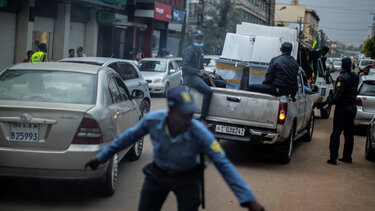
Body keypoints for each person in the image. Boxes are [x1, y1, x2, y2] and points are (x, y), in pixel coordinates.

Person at [85, 87, 264, 211]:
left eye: (190, 114)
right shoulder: (152, 121)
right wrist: (102, 157)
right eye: (183, 114)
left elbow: (223, 164)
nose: (188, 119)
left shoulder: (201, 133)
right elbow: (127, 138)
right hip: (158, 175)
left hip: (188, 179)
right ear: (170, 111)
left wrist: (248, 199)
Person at [323, 57, 359, 165]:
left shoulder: (341, 78)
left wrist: (329, 103)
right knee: (349, 134)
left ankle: (333, 158)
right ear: (351, 65)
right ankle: (347, 157)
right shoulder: (355, 77)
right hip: (352, 107)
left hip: (342, 108)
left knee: (336, 133)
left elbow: (338, 94)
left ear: (342, 66)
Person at [182, 30, 213, 121]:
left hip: (198, 76)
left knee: (220, 82)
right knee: (209, 91)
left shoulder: (199, 51)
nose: (199, 40)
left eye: (201, 38)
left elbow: (201, 67)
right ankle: (203, 117)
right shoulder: (189, 50)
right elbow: (185, 66)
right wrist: (197, 72)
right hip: (190, 77)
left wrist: (211, 74)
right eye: (197, 38)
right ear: (193, 39)